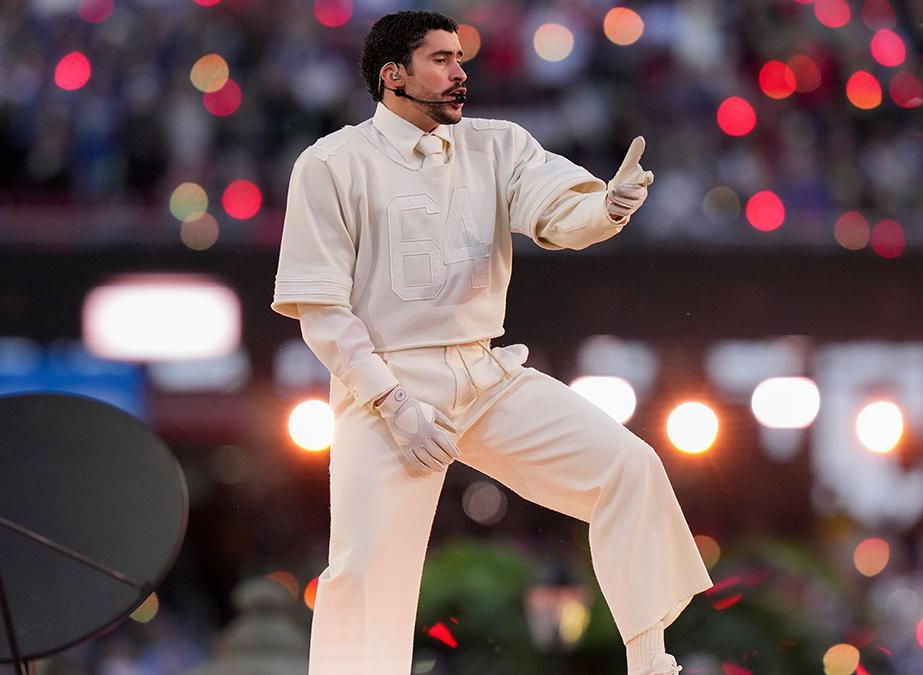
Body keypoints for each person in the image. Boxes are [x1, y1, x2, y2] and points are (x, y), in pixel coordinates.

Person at [271, 10, 712, 675]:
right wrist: (390, 401)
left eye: (460, 57)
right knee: (364, 571)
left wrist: (607, 207)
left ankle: (650, 660)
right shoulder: (331, 164)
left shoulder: (497, 143)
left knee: (630, 466)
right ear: (393, 76)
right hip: (385, 387)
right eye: (442, 60)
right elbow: (323, 311)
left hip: (486, 371)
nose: (460, 72)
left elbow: (556, 210)